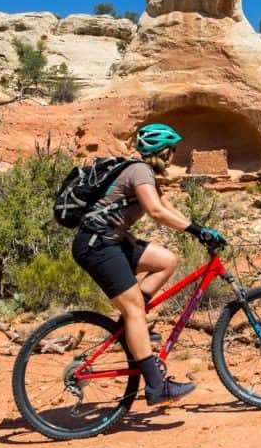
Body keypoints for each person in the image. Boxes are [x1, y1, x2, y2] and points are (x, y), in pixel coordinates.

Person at [72, 123, 226, 406]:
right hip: (97, 245)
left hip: (113, 241)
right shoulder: (140, 170)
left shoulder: (147, 176)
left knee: (166, 260)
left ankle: (131, 327)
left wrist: (201, 229)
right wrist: (194, 231)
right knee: (133, 308)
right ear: (161, 151)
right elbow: (155, 212)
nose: (173, 156)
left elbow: (166, 207)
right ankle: (157, 387)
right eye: (171, 151)